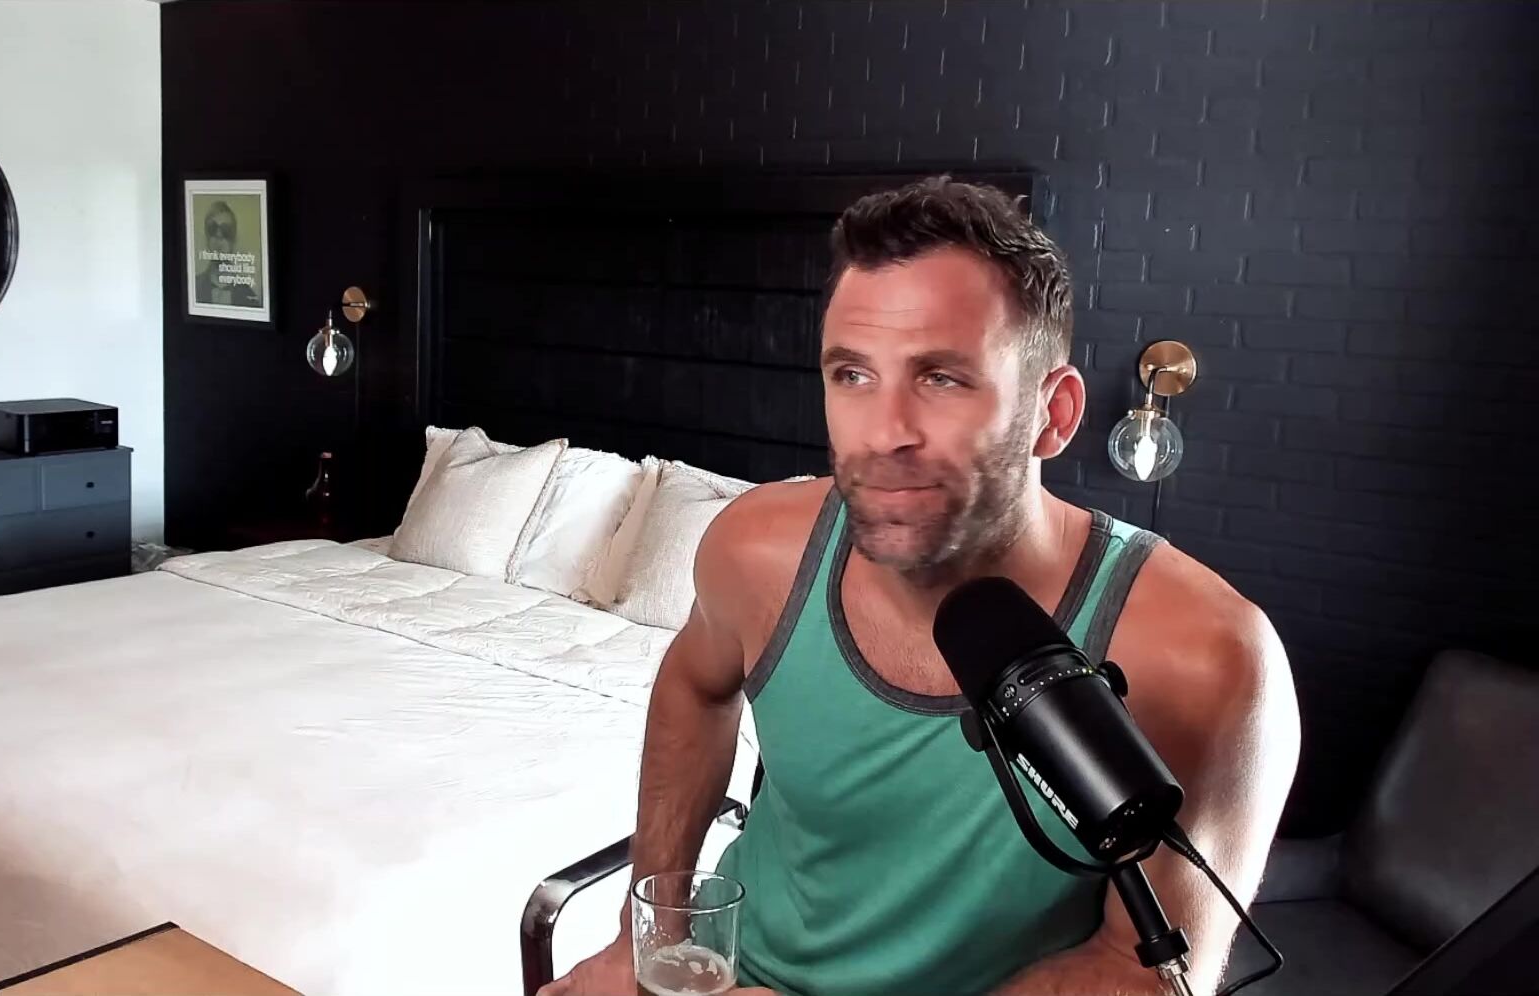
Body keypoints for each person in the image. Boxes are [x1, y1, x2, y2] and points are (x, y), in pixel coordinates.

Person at [543, 178, 1300, 996]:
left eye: (941, 378)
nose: (883, 433)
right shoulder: (755, 551)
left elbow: (1144, 975)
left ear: (1053, 413)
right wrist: (647, 938)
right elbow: (694, 688)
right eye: (852, 375)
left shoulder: (1207, 657)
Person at [196, 199, 262, 308]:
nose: (219, 235)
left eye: (226, 230)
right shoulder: (194, 288)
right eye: (212, 228)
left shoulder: (248, 295)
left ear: (234, 239)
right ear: (207, 238)